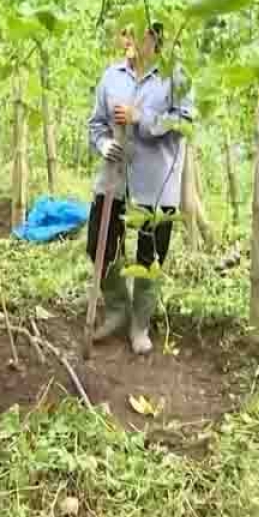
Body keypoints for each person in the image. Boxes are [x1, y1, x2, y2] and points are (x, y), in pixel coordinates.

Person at [85, 22, 194, 355]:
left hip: (156, 183)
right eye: (124, 32)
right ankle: (118, 309)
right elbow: (96, 124)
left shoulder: (175, 75)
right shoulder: (111, 76)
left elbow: (185, 122)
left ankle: (140, 323)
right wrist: (103, 145)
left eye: (136, 32)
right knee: (98, 246)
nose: (127, 39)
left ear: (155, 37)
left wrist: (140, 118)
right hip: (114, 179)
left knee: (151, 255)